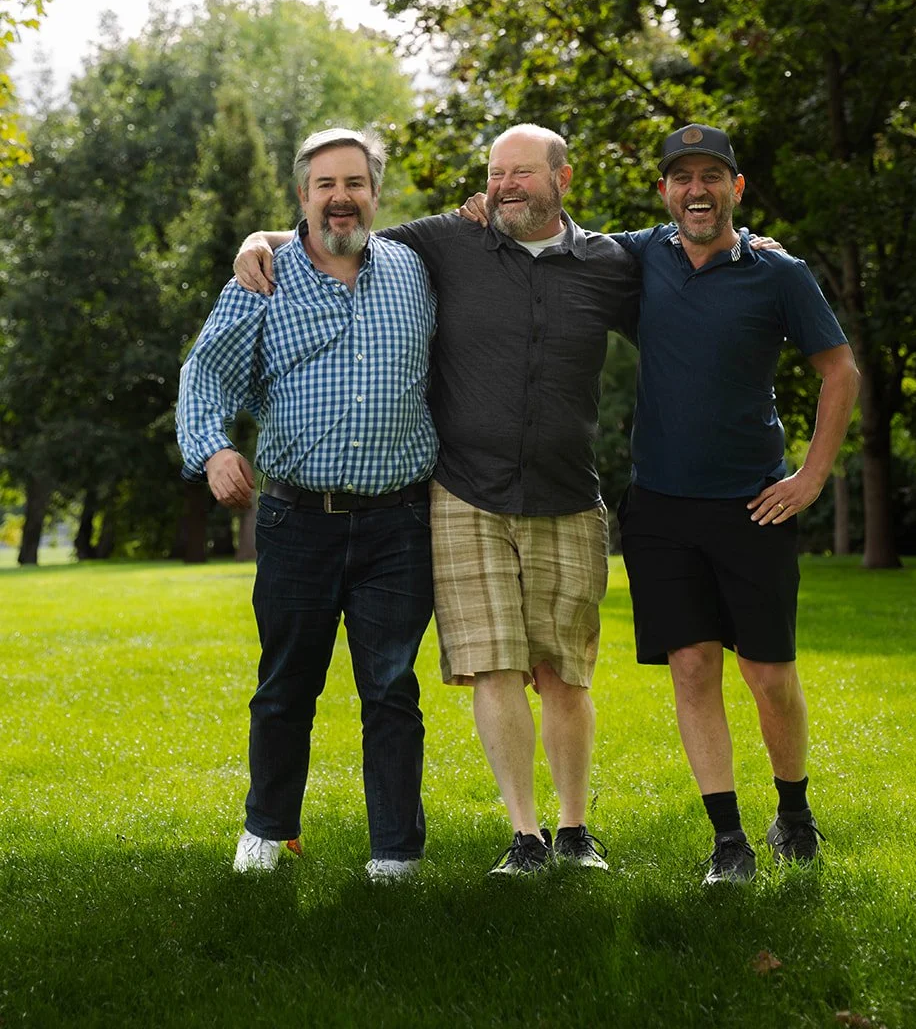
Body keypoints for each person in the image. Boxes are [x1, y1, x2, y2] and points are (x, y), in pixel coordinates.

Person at [234, 125, 641, 875]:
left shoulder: (611, 261)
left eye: (522, 173)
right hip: (464, 496)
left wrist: (748, 245)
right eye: (495, 174)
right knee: (489, 667)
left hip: (567, 495)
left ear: (563, 178)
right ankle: (524, 837)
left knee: (561, 674)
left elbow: (683, 252)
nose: (506, 186)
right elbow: (337, 227)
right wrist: (260, 237)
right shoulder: (449, 242)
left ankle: (574, 829)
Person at [177, 127, 438, 880]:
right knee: (286, 684)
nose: (340, 197)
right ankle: (268, 829)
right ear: (302, 196)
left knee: (391, 690)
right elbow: (206, 375)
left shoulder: (415, 272)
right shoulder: (263, 277)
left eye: (354, 182)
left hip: (398, 520)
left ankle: (395, 850)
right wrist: (215, 449)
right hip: (295, 518)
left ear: (375, 193)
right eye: (324, 185)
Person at [613, 124, 860, 885]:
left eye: (710, 177)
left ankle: (793, 813)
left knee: (766, 673)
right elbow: (547, 233)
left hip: (752, 506)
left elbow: (839, 369)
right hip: (657, 507)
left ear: (735, 188)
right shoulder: (635, 255)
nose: (696, 191)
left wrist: (811, 478)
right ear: (663, 191)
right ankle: (727, 842)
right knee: (690, 667)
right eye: (681, 177)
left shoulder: (777, 273)